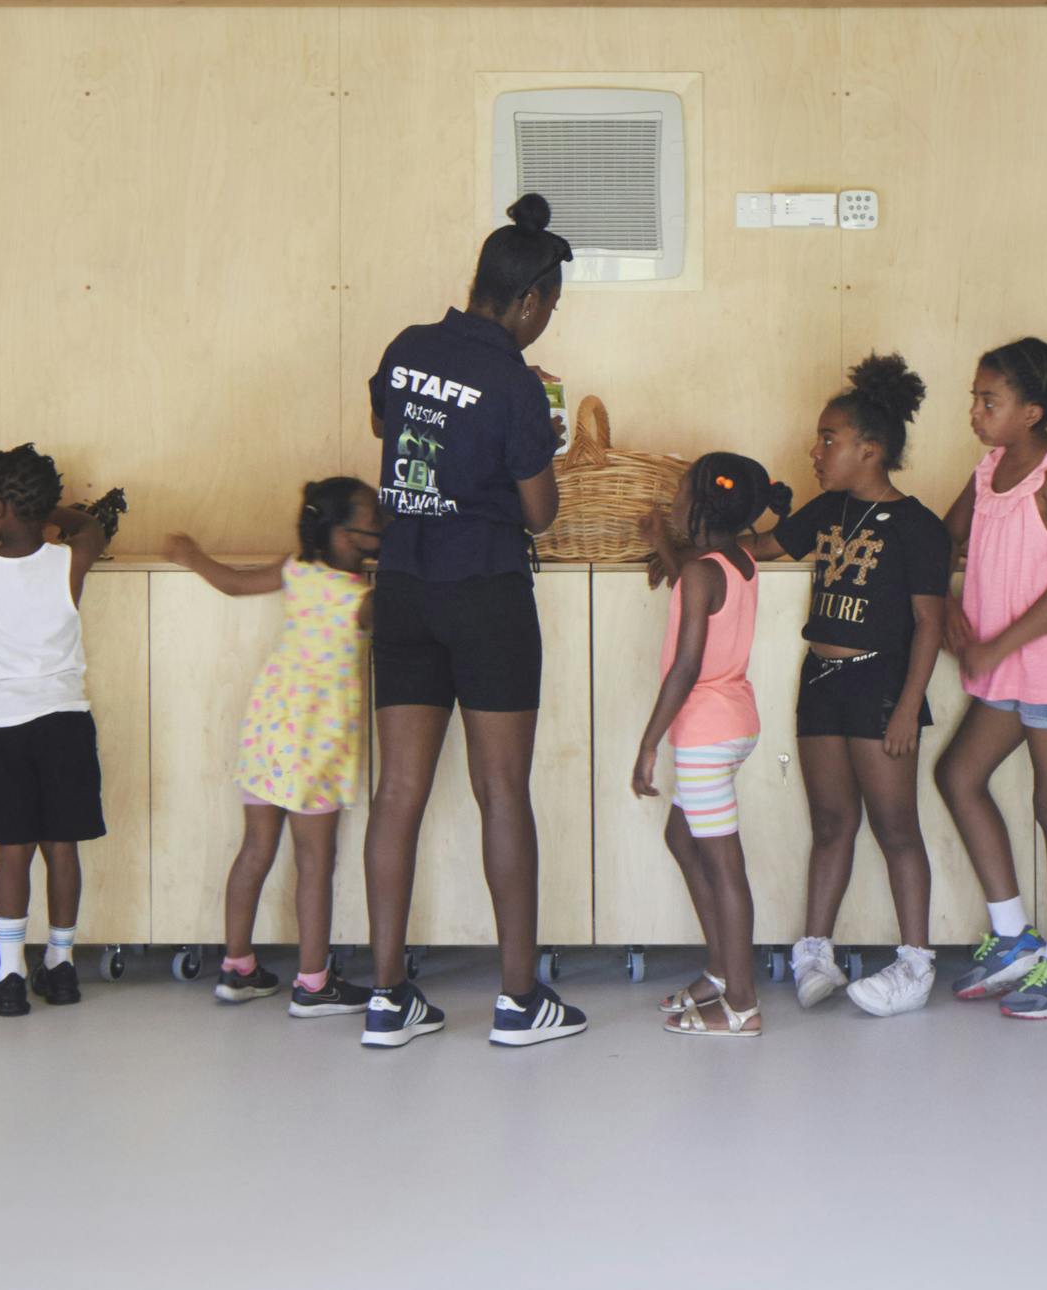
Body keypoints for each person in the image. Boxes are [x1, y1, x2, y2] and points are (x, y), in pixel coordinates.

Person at [356, 194, 589, 1052]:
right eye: (550, 308)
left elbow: (388, 421)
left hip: (407, 584)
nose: (544, 322)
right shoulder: (516, 383)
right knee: (501, 792)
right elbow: (538, 515)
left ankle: (386, 998)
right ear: (528, 300)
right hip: (486, 589)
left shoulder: (409, 347)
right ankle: (520, 1000)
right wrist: (539, 446)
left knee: (398, 793)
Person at [933, 317, 1047, 1021]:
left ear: (1032, 411)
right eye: (975, 398)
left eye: (989, 400)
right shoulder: (988, 468)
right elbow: (945, 537)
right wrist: (948, 607)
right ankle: (1014, 937)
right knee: (957, 775)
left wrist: (991, 643)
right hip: (1009, 667)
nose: (976, 412)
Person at [768, 354, 954, 1017]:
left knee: (896, 828)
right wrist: (690, 537)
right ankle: (815, 949)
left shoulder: (919, 528)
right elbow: (763, 547)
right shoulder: (826, 510)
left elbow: (931, 624)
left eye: (828, 439)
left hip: (880, 685)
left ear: (870, 450)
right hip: (820, 680)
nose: (814, 450)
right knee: (830, 823)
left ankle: (915, 963)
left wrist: (908, 707)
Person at [163, 477, 378, 1018]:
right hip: (318, 739)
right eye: (377, 519)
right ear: (344, 534)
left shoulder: (295, 571)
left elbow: (234, 584)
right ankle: (313, 983)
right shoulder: (364, 598)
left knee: (255, 851)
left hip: (267, 727)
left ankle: (237, 967)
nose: (385, 525)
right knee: (314, 861)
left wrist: (192, 556)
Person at [0, 446, 118, 1017]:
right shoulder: (70, 560)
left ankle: (11, 974)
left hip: (3, 729)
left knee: (13, 852)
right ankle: (61, 966)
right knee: (61, 848)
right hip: (65, 723)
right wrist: (51, 513)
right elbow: (91, 527)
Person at [629, 453, 795, 1036]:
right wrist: (665, 547)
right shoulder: (736, 562)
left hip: (703, 733)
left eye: (678, 492)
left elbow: (685, 666)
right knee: (682, 835)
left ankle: (742, 1004)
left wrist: (650, 743)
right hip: (736, 722)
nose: (672, 501)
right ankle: (723, 971)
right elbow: (697, 590)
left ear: (700, 506)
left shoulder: (703, 571)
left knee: (726, 869)